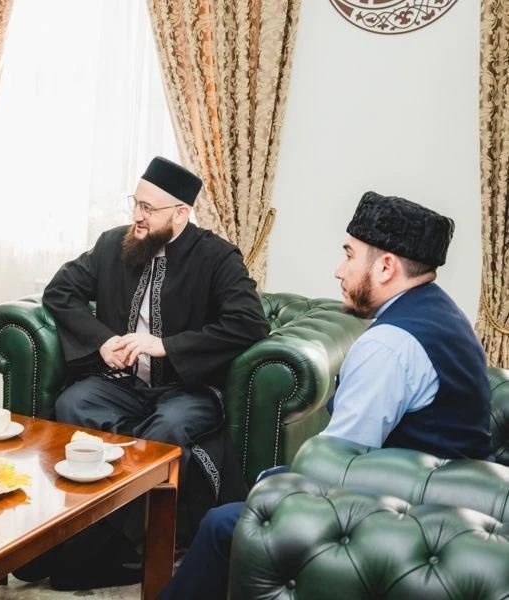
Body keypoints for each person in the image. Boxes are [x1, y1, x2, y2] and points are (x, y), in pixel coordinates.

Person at [161, 190, 492, 599]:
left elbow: (337, 469)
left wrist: (271, 483)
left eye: (349, 255)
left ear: (386, 267)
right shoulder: (442, 311)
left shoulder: (389, 345)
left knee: (221, 524)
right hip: (458, 502)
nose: (339, 270)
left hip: (415, 520)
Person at [28, 157, 269, 589]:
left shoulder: (216, 256)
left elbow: (249, 322)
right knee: (73, 404)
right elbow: (60, 292)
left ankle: (116, 548)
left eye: (149, 208)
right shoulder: (113, 244)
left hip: (186, 388)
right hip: (123, 384)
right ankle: (72, 532)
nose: (137, 216)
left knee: (166, 430)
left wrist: (167, 346)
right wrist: (103, 341)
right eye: (136, 203)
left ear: (181, 213)